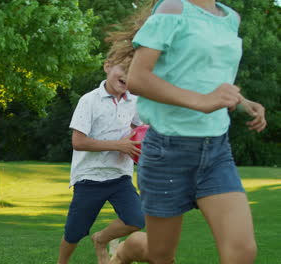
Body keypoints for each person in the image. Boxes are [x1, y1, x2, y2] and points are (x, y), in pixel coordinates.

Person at [106, 0, 267, 263]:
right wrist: (201, 102)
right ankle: (127, 250)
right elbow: (137, 79)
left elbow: (209, 77)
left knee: (242, 252)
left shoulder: (230, 18)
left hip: (216, 151)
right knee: (161, 255)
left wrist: (242, 102)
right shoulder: (172, 9)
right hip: (166, 153)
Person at [56, 54, 148, 264]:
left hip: (119, 176)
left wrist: (135, 140)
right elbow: (78, 142)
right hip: (89, 177)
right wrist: (118, 145)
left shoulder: (134, 100)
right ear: (107, 67)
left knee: (136, 219)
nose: (126, 76)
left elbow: (139, 128)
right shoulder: (89, 100)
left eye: (132, 71)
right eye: (123, 68)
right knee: (75, 232)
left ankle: (101, 239)